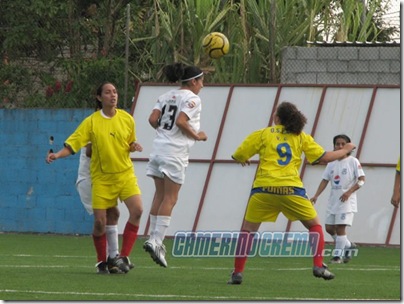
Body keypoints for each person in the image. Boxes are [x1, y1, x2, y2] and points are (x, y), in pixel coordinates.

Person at [227, 101, 356, 284]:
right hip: (291, 189)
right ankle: (319, 265)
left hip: (264, 189)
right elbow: (324, 158)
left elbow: (239, 154)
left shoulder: (264, 133)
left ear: (277, 118)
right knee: (314, 226)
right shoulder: (300, 136)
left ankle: (237, 273)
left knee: (247, 231)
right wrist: (345, 150)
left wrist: (243, 158)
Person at [46, 82, 143, 274]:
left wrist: (133, 146)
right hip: (102, 179)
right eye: (108, 92)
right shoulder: (91, 122)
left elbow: (129, 141)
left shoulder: (127, 119)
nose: (113, 95)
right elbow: (73, 144)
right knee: (100, 222)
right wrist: (57, 155)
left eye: (115, 91)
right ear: (99, 98)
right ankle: (102, 261)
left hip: (125, 175)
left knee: (138, 210)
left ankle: (122, 257)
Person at [143, 62, 207, 268]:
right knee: (171, 198)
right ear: (194, 81)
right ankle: (157, 240)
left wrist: (164, 130)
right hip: (174, 152)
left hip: (158, 149)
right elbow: (180, 121)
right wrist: (197, 135)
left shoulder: (165, 96)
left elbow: (152, 120)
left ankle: (153, 238)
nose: (202, 86)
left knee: (159, 196)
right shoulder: (192, 98)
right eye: (201, 82)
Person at [310, 134, 365, 264]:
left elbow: (362, 180)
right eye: (337, 144)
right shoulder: (331, 163)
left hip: (346, 202)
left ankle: (337, 256)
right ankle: (348, 246)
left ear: (348, 146)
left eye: (342, 144)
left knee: (340, 228)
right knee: (329, 228)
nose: (339, 146)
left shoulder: (353, 161)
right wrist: (316, 195)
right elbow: (325, 180)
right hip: (333, 201)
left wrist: (349, 192)